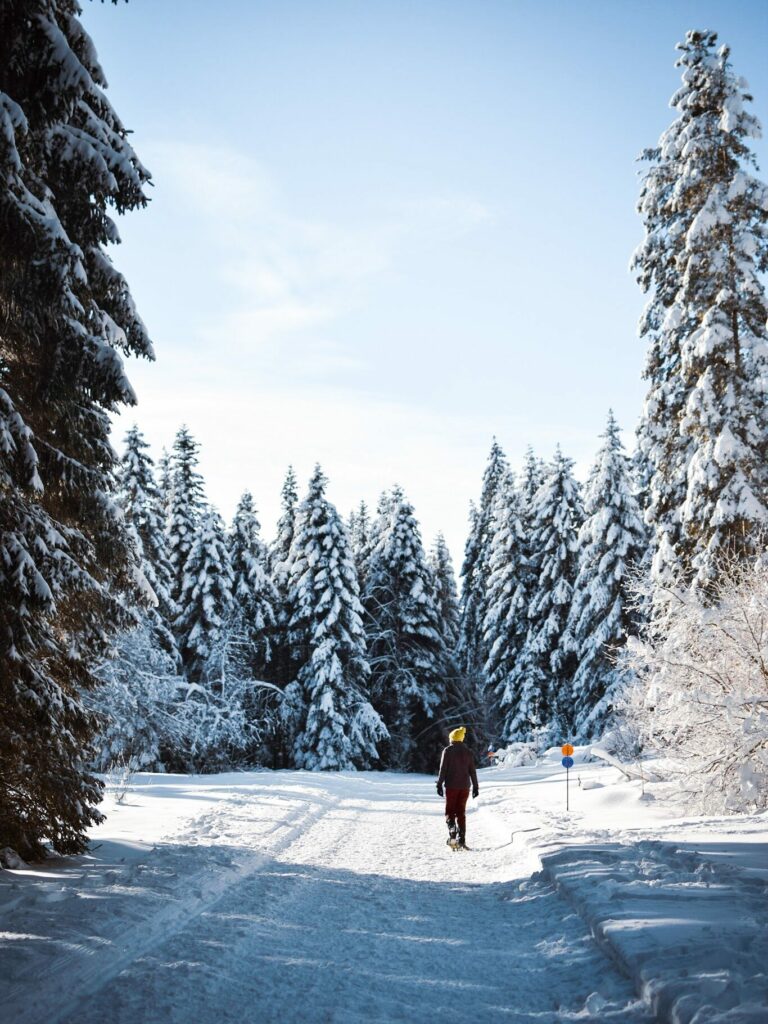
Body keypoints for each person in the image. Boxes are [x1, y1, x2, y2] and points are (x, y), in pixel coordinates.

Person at [436, 726, 479, 849]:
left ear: (452, 738)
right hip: (465, 787)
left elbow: (443, 769)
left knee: (450, 811)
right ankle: (462, 839)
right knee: (461, 812)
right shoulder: (468, 752)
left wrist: (439, 784)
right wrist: (476, 787)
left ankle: (452, 831)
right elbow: (472, 771)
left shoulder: (447, 751)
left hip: (451, 786)